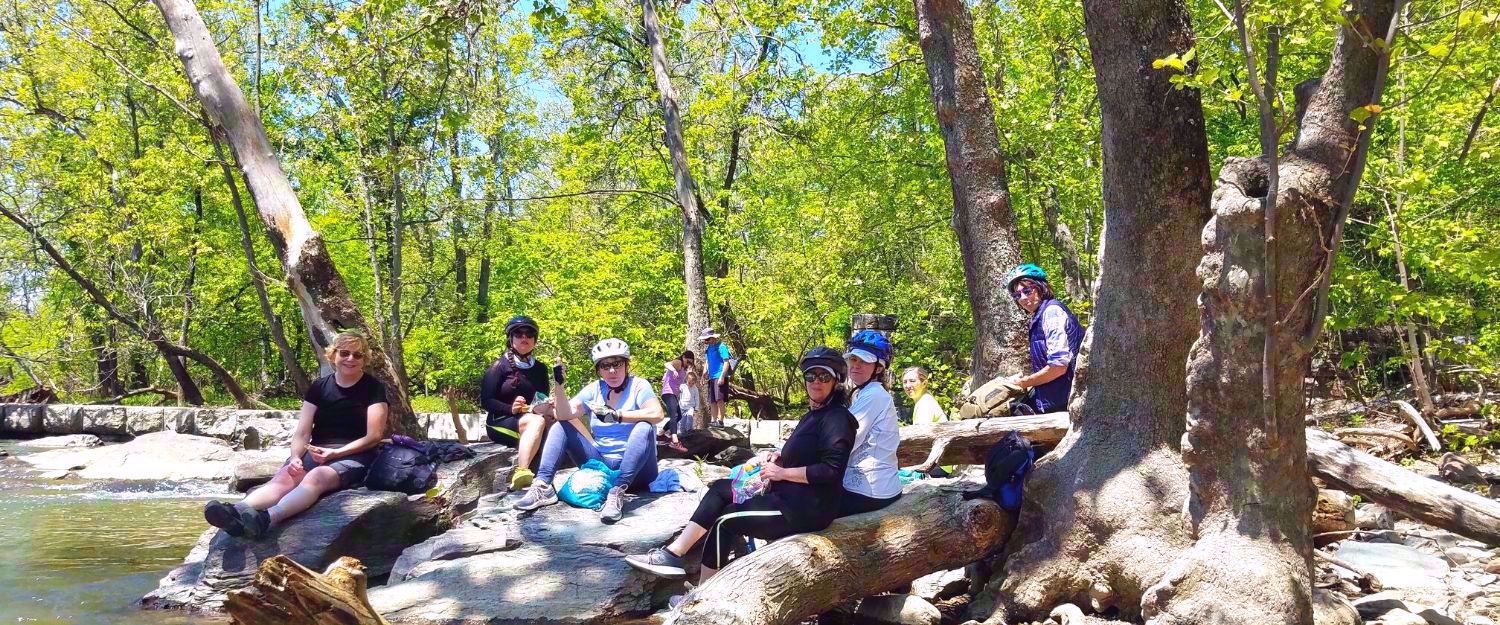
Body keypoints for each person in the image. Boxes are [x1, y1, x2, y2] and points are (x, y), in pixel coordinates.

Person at [624, 347, 857, 583]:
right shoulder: (814, 415)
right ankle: (673, 553)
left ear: (835, 381)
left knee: (725, 520)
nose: (816, 382)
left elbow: (831, 470)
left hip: (804, 509)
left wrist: (783, 472)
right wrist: (777, 457)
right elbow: (807, 453)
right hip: (787, 495)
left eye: (824, 376)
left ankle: (704, 595)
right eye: (810, 376)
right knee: (719, 489)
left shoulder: (837, 419)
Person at [202, 332, 388, 539]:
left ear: (365, 359)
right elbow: (302, 431)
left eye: (358, 355)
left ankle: (266, 519)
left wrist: (335, 454)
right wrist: (296, 457)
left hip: (357, 454)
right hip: (317, 451)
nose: (351, 359)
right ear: (333, 355)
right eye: (345, 353)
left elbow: (374, 436)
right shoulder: (319, 388)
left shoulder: (374, 389)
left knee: (316, 477)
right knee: (285, 477)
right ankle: (235, 512)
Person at [512, 338, 665, 523]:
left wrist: (618, 416)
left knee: (644, 427)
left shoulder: (639, 385)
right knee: (561, 426)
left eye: (617, 364)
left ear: (626, 364)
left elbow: (657, 414)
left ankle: (617, 492)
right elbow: (564, 414)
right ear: (598, 370)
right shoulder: (594, 389)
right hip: (602, 463)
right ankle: (543, 486)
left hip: (639, 471)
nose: (612, 371)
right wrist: (559, 385)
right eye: (605, 366)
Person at [479, 315, 555, 490]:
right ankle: (522, 471)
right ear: (510, 338)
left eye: (529, 335)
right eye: (519, 334)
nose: (524, 338)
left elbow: (540, 399)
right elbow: (486, 401)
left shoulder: (541, 368)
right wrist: (510, 408)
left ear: (534, 340)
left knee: (558, 418)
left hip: (531, 418)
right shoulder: (498, 367)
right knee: (538, 421)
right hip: (500, 421)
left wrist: (548, 404)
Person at [1003, 264, 1085, 414]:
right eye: (1017, 295)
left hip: (1066, 399)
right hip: (1055, 397)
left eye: (1027, 290)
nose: (1022, 298)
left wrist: (1024, 383)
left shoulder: (1051, 313)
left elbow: (1058, 367)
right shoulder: (1039, 316)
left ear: (1040, 287)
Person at [840, 329, 903, 516]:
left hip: (870, 492)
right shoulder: (866, 393)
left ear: (879, 368)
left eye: (864, 361)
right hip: (871, 488)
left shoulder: (874, 396)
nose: (855, 365)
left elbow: (844, 441)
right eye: (853, 359)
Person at [700, 328, 736, 424]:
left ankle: (720, 421)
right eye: (705, 340)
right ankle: (714, 420)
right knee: (712, 400)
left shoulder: (721, 347)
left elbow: (726, 362)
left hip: (719, 376)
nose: (705, 341)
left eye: (707, 339)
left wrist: (722, 376)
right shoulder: (708, 349)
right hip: (711, 377)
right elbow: (707, 362)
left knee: (719, 399)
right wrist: (703, 375)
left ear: (713, 338)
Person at [660, 350, 696, 444]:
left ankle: (661, 433)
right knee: (674, 415)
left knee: (679, 416)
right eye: (687, 362)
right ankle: (675, 441)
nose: (688, 364)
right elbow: (667, 364)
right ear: (683, 357)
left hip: (673, 394)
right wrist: (674, 370)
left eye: (690, 363)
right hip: (668, 392)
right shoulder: (678, 362)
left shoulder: (683, 369)